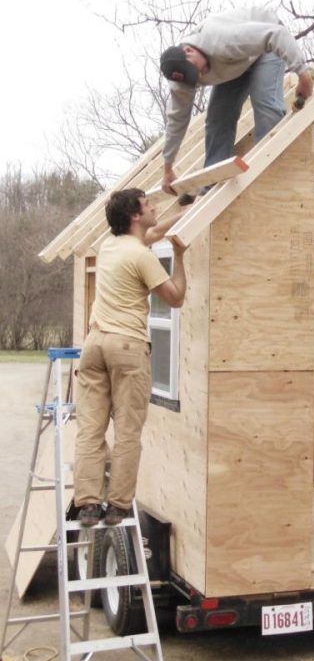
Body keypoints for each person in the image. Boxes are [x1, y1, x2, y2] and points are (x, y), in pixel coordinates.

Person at [73, 188, 188, 527]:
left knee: (90, 430)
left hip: (94, 345)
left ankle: (89, 504)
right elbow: (176, 298)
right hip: (127, 347)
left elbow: (152, 233)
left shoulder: (110, 246)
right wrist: (180, 255)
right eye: (148, 205)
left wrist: (184, 213)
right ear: (135, 216)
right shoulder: (143, 258)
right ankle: (118, 506)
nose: (153, 207)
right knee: (127, 431)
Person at [159, 5, 314, 203]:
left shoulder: (222, 39)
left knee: (265, 103)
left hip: (265, 46)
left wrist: (303, 74)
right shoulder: (182, 81)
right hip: (234, 65)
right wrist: (167, 167)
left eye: (197, 70)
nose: (200, 76)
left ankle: (266, 174)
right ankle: (213, 183)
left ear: (189, 50)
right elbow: (177, 121)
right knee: (217, 120)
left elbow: (276, 34)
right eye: (194, 78)